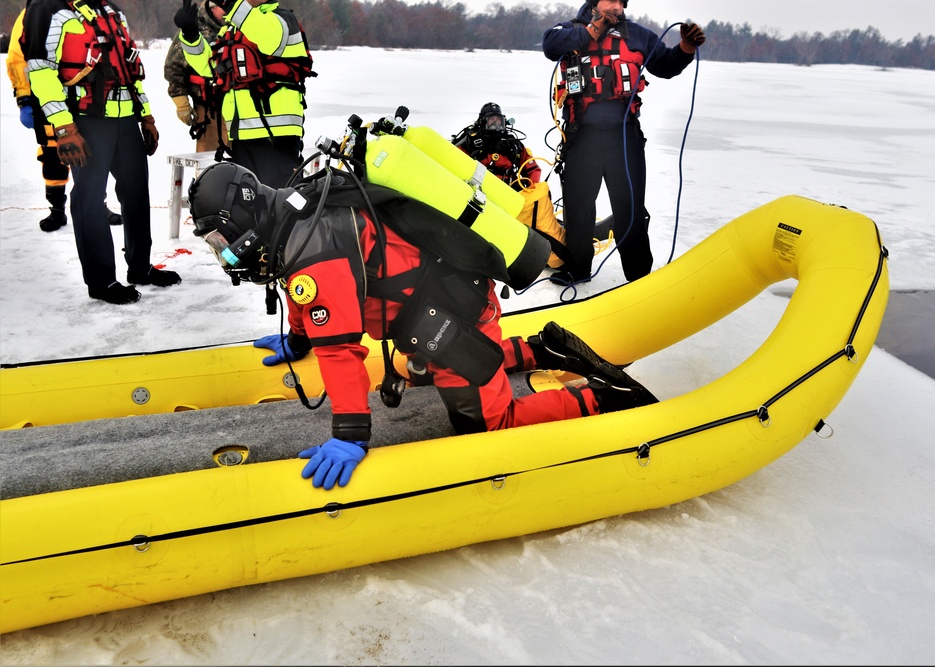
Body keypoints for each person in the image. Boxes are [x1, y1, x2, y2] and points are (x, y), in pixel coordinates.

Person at [187, 161, 657, 490]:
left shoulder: (311, 248)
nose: (223, 250)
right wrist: (298, 336)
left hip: (454, 313)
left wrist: (350, 436)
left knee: (489, 426)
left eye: (219, 237)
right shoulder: (295, 213)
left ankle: (604, 398)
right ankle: (539, 349)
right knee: (422, 370)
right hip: (433, 304)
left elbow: (340, 348)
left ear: (242, 214)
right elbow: (306, 295)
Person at [23, 0, 181, 304]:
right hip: (85, 121)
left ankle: (140, 268)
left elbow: (129, 71)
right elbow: (41, 72)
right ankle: (101, 281)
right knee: (89, 199)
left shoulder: (112, 11)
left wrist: (146, 116)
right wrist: (64, 127)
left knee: (136, 193)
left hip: (125, 119)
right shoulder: (48, 9)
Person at [542, 0, 705, 284]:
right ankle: (577, 269)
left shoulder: (638, 35)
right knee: (578, 208)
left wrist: (686, 49)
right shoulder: (571, 30)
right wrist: (594, 29)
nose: (617, 6)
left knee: (629, 209)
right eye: (611, 0)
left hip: (624, 139)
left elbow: (665, 66)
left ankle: (639, 276)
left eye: (621, 2)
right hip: (581, 138)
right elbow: (550, 46)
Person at [6, 1, 122, 232]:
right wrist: (24, 98)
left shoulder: (82, 11)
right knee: (52, 154)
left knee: (91, 154)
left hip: (82, 99)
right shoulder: (33, 13)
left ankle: (97, 205)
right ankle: (57, 209)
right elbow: (17, 58)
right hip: (46, 98)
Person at [173, 0, 315, 188]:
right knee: (250, 209)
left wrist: (232, 4)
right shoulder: (233, 30)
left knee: (280, 208)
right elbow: (210, 67)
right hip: (241, 137)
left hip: (275, 136)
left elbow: (268, 38)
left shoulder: (282, 20)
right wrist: (191, 36)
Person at [163, 0, 226, 153]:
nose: (228, 13)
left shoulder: (238, 25)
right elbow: (173, 67)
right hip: (208, 109)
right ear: (213, 7)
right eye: (225, 9)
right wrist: (182, 104)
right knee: (211, 163)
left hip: (240, 108)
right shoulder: (192, 27)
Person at [451, 102, 542, 191]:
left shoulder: (512, 144)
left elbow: (532, 169)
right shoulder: (471, 141)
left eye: (499, 120)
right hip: (477, 188)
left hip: (508, 190)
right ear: (482, 121)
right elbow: (453, 161)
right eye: (492, 120)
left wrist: (531, 191)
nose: (496, 124)